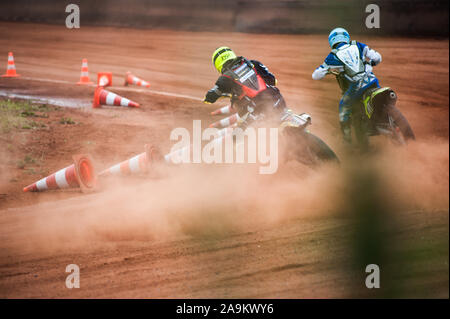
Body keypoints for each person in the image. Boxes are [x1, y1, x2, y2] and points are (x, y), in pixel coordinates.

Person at [312, 27, 382, 144]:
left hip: (356, 87)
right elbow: (378, 58)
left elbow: (316, 75)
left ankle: (347, 140)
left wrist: (327, 70)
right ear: (346, 37)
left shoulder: (333, 56)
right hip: (373, 81)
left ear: (332, 41)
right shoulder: (358, 45)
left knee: (343, 107)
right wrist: (371, 63)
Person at [204, 46, 286, 120]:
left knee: (241, 129)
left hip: (258, 113)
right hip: (278, 100)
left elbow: (210, 97)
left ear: (217, 64)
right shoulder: (254, 64)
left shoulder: (225, 79)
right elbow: (273, 80)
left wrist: (208, 98)